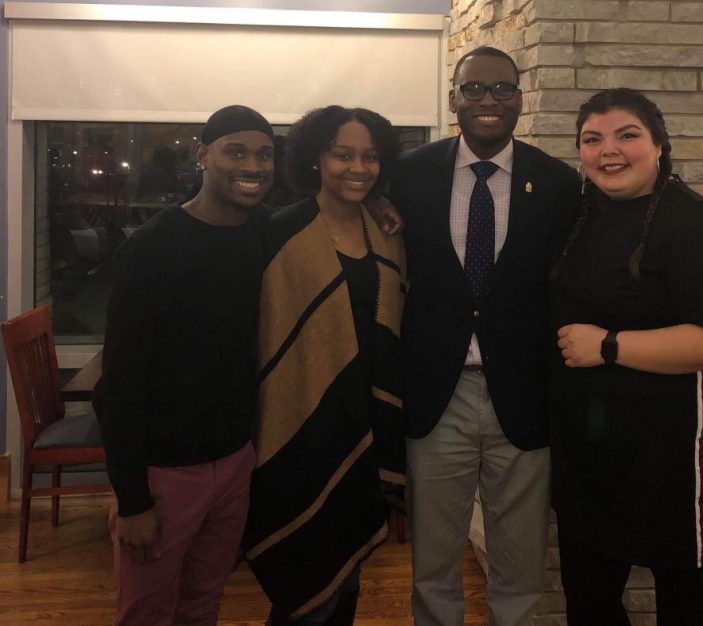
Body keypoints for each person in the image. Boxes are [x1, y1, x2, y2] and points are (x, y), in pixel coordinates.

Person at [390, 46, 580, 626]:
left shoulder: (558, 183)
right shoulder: (409, 175)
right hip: (436, 396)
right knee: (434, 563)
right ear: (453, 98)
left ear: (520, 98)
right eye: (474, 89)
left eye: (502, 88)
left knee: (520, 565)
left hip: (521, 395)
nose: (488, 101)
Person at [549, 88, 703, 625]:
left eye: (627, 135)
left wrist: (609, 346)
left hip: (672, 450)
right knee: (589, 597)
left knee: (684, 598)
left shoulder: (696, 222)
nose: (608, 151)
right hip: (589, 447)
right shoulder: (581, 212)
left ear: (659, 145)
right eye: (592, 139)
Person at [94, 105, 274, 626]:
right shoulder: (153, 248)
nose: (253, 166)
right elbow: (119, 384)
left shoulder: (263, 231)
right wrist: (132, 500)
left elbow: (325, 212)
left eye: (264, 154)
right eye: (235, 151)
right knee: (147, 612)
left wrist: (375, 204)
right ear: (203, 155)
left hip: (235, 460)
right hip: (164, 474)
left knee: (204, 602)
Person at [242, 105, 405, 625]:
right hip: (301, 423)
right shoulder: (279, 232)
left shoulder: (389, 231)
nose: (358, 168)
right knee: (303, 580)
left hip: (366, 424)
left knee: (349, 569)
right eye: (343, 155)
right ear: (315, 158)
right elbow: (262, 332)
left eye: (370, 157)